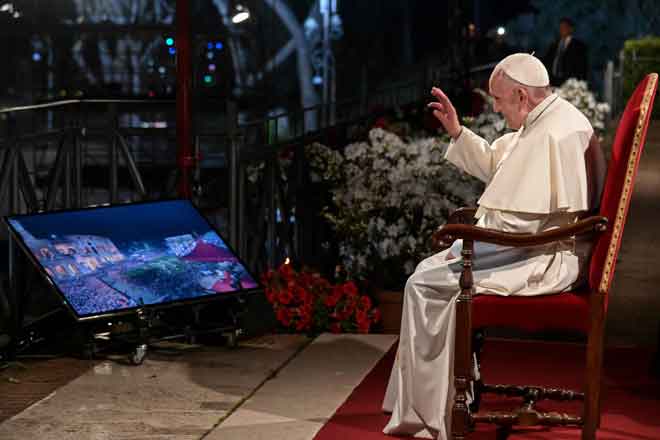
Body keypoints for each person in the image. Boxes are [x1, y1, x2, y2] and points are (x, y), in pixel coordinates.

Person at [381, 53, 605, 440]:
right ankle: (438, 399)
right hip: (533, 247)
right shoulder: (545, 119)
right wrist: (457, 133)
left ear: (520, 95)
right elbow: (504, 169)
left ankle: (434, 409)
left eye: (499, 101)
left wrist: (473, 236)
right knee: (429, 274)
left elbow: (524, 220)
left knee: (423, 284)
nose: (497, 110)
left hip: (545, 257)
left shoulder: (555, 132)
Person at [542, 17, 589, 86]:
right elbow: (547, 61)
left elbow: (582, 67)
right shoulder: (554, 45)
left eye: (564, 27)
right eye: (560, 27)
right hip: (553, 81)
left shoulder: (578, 46)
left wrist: (578, 83)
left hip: (569, 82)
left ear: (571, 29)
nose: (562, 29)